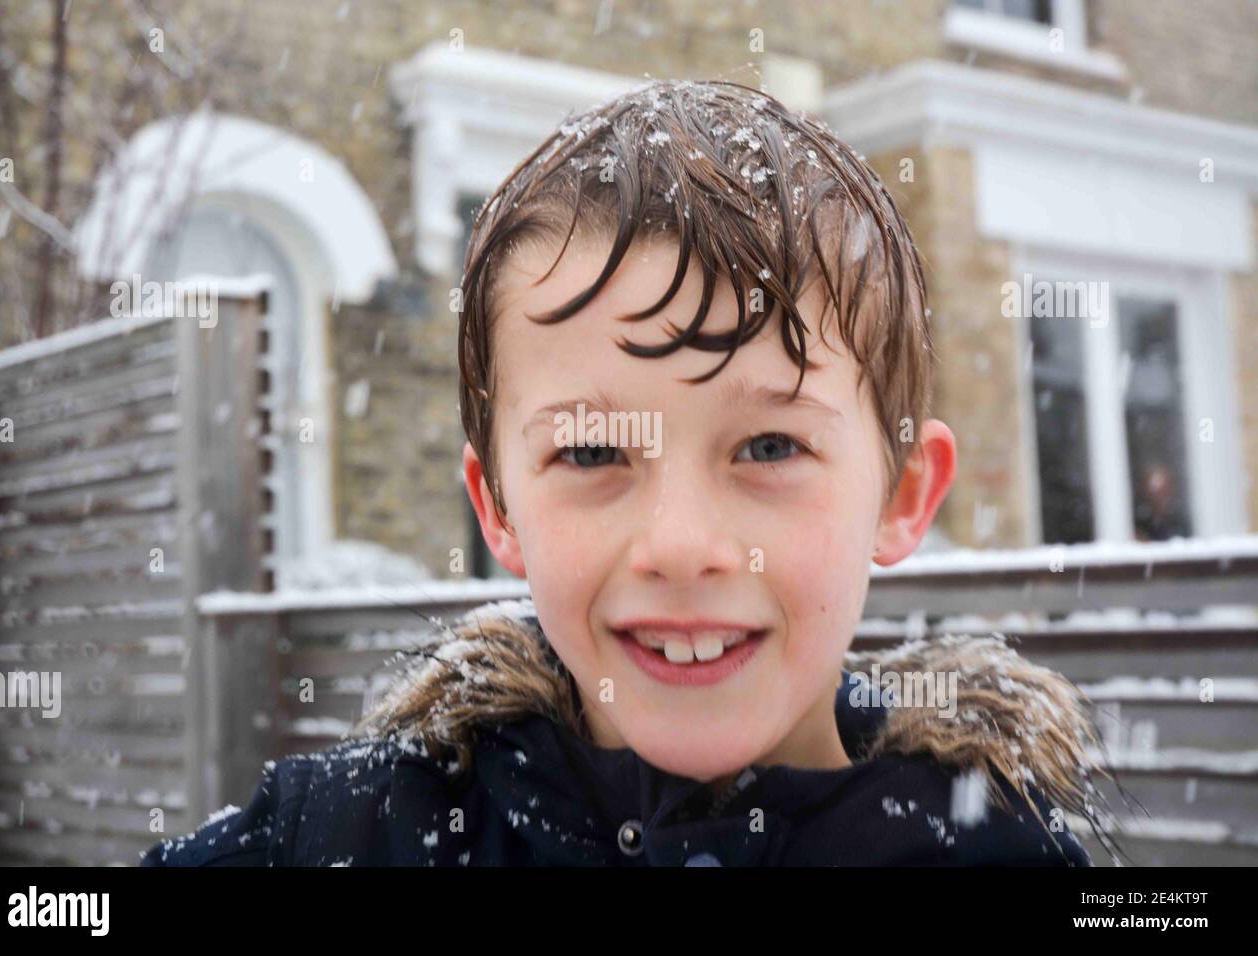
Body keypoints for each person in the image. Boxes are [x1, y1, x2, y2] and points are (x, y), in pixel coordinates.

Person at [142, 78, 1119, 867]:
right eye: (595, 451)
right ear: (498, 506)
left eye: (769, 447)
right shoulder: (344, 836)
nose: (681, 544)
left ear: (902, 491)